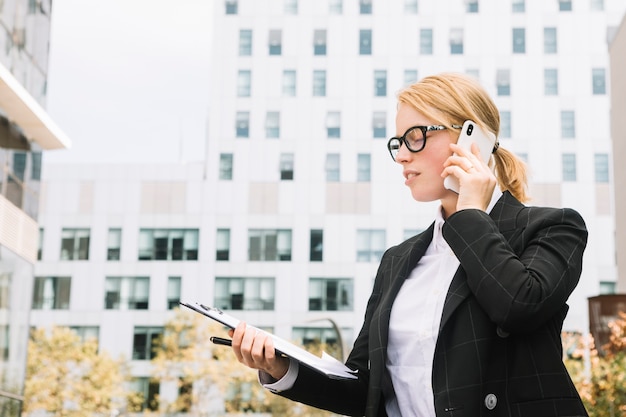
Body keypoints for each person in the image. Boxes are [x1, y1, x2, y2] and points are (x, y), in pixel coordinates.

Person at [228, 72, 589, 417]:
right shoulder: (397, 261)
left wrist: (468, 211)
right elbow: (364, 388)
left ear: (471, 137)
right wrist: (280, 365)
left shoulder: (553, 226)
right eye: (398, 143)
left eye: (415, 137)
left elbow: (518, 305)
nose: (402, 155)